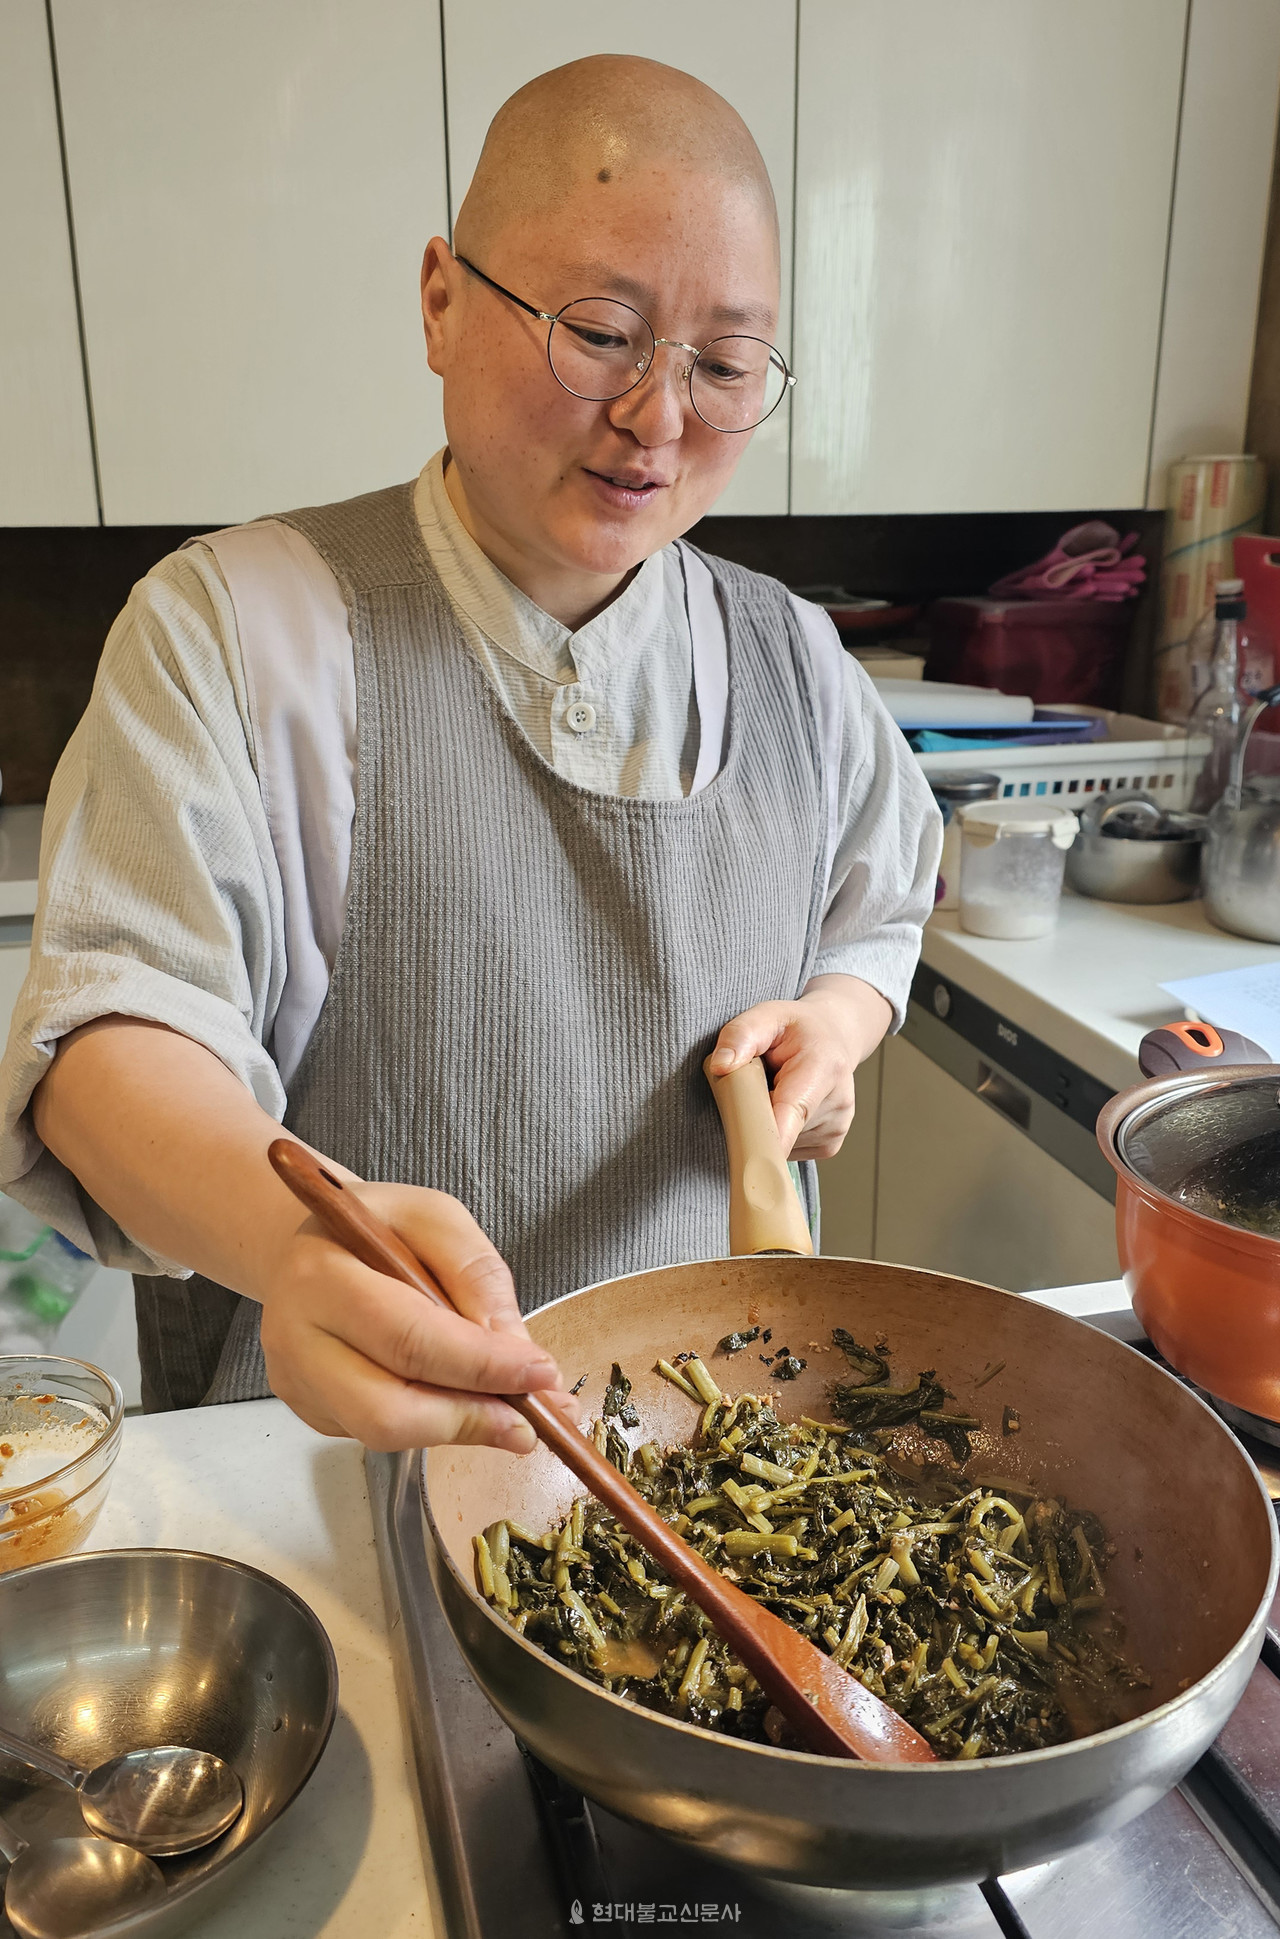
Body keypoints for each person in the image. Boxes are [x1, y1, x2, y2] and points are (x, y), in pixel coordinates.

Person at [0, 56, 941, 1455]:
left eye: (726, 365)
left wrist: (837, 1027)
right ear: (442, 300)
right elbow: (106, 1039)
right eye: (604, 332)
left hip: (710, 1477)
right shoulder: (242, 630)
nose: (659, 419)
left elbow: (884, 907)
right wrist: (297, 1242)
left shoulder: (797, 661)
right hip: (327, 1466)